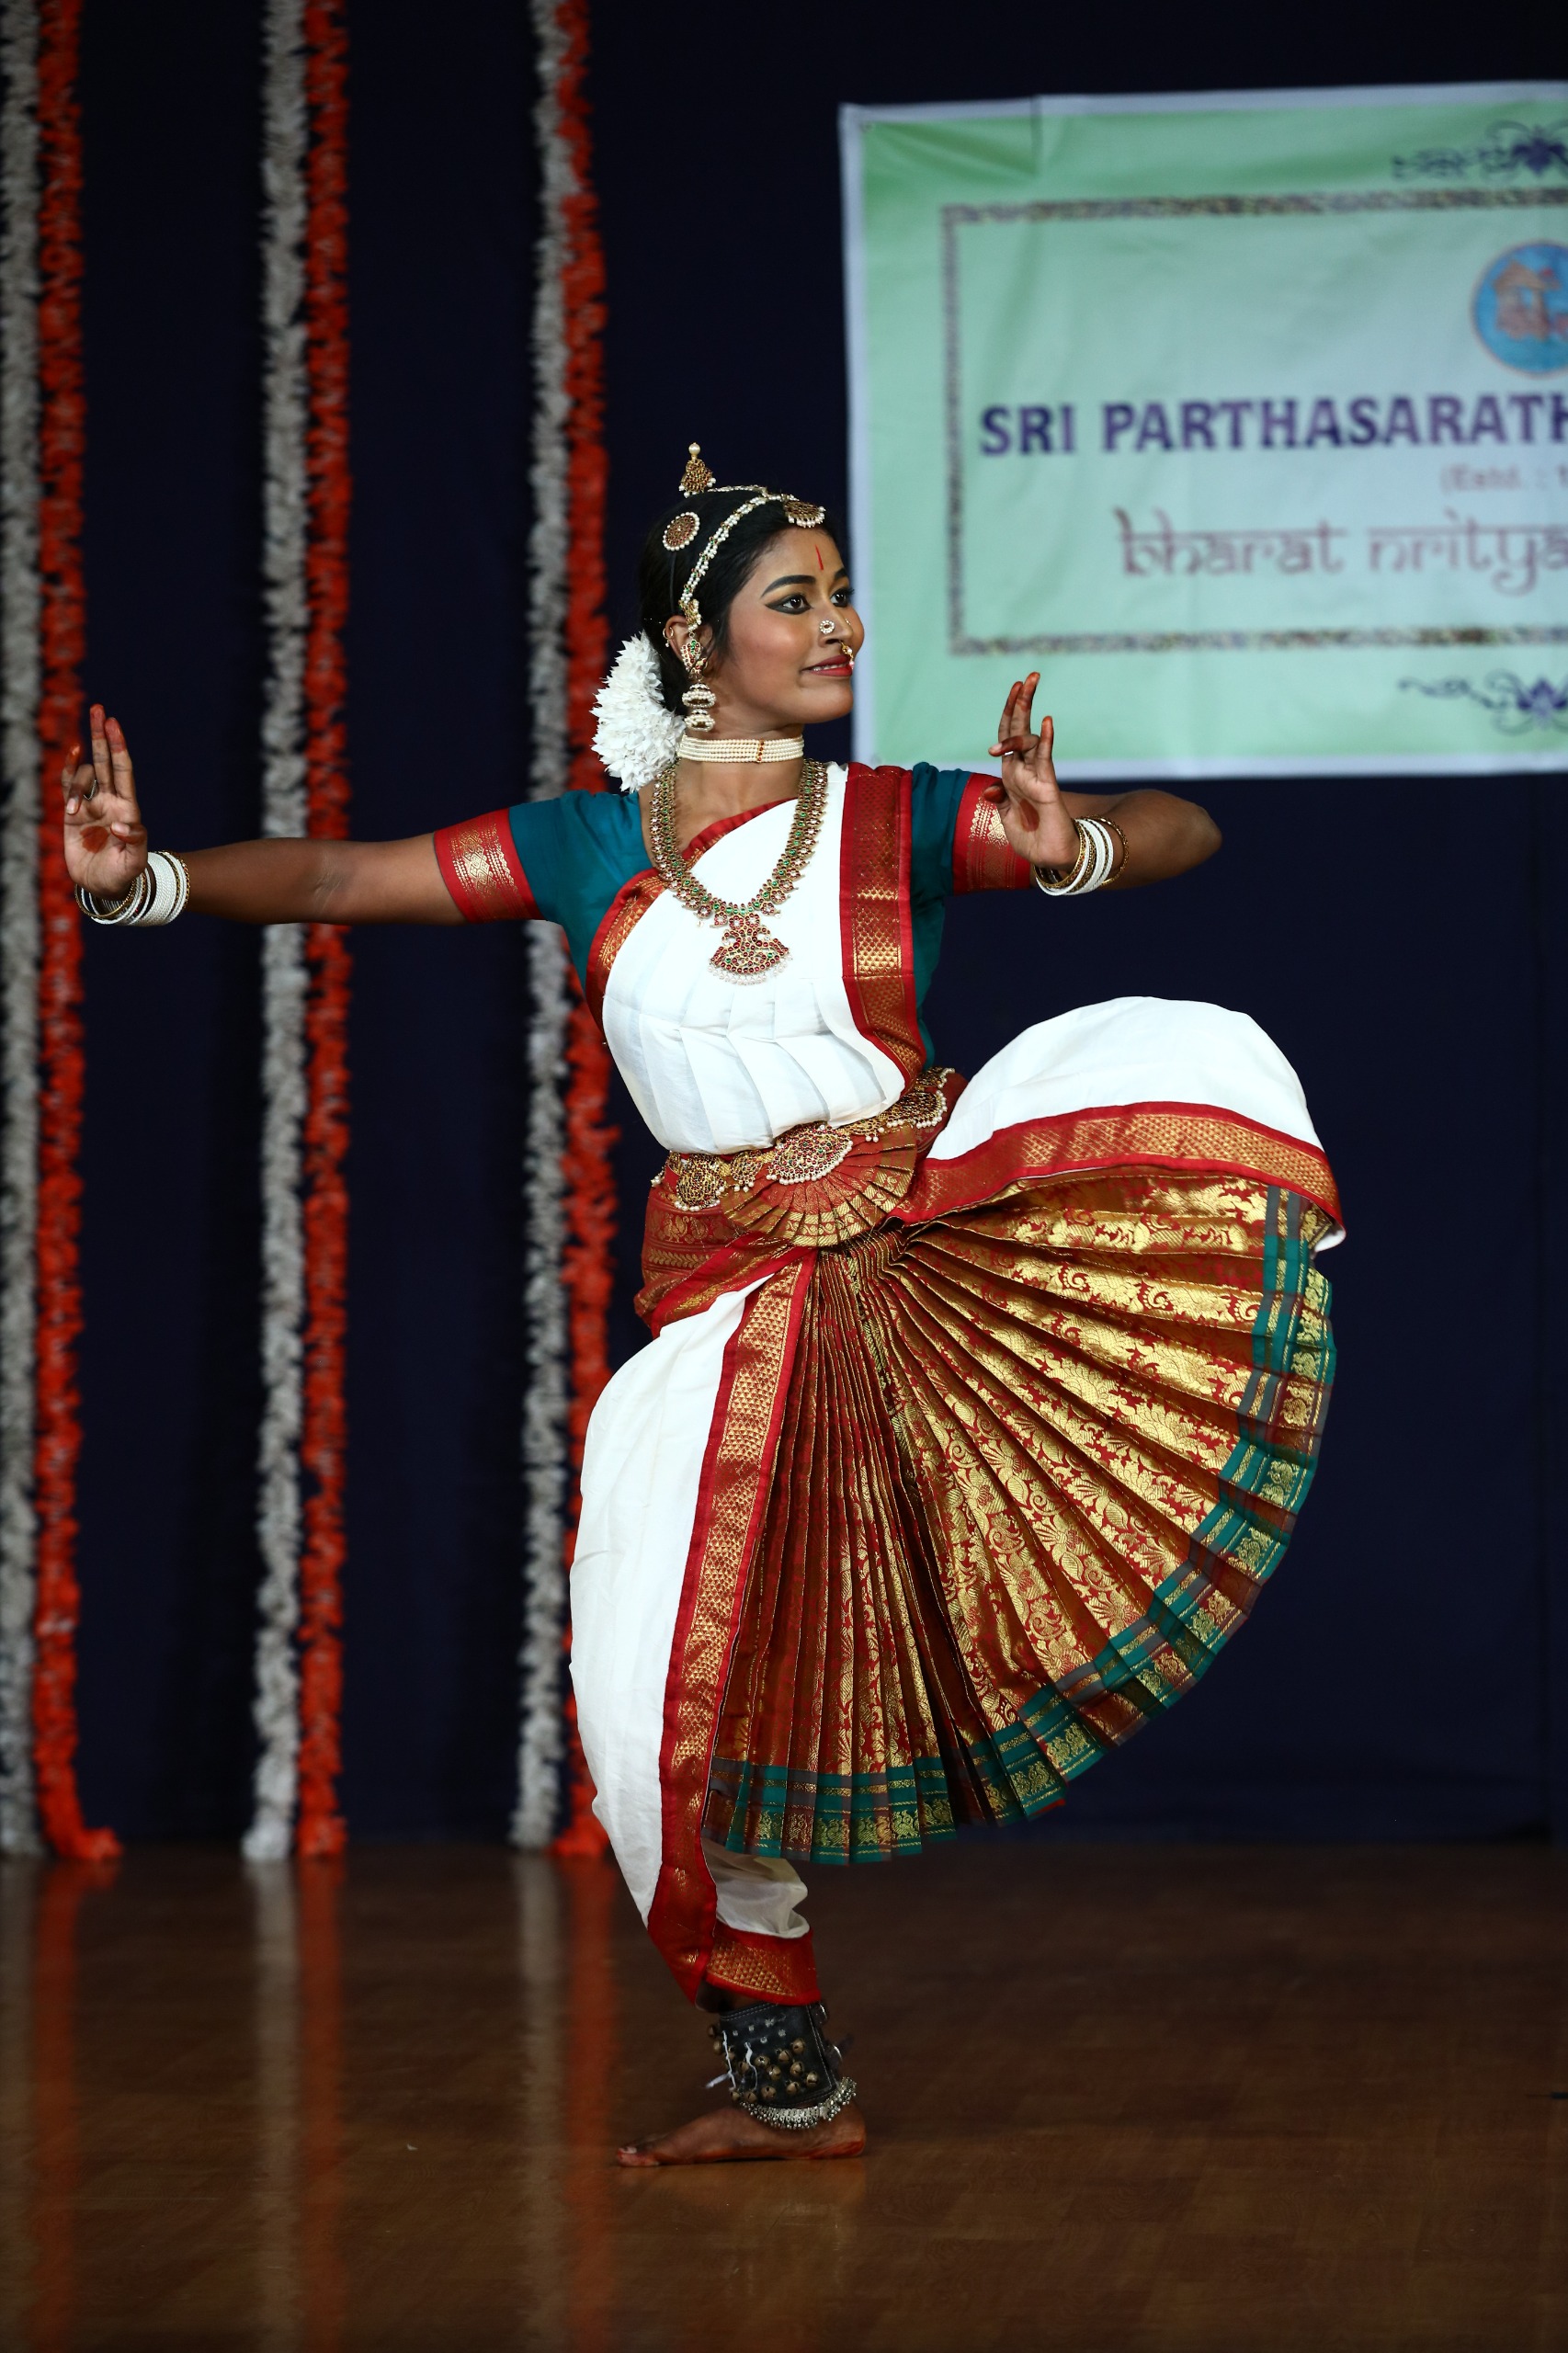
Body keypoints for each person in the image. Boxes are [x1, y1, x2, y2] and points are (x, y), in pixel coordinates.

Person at [62, 444, 1339, 2167]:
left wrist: (1075, 845)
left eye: (837, 594)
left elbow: (1190, 833)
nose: (842, 624)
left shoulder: (895, 814)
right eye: (796, 600)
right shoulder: (590, 846)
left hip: (926, 1280)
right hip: (727, 1311)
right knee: (644, 1697)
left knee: (938, 1611)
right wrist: (149, 881)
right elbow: (344, 880)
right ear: (697, 637)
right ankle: (785, 2077)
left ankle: (793, 2061)